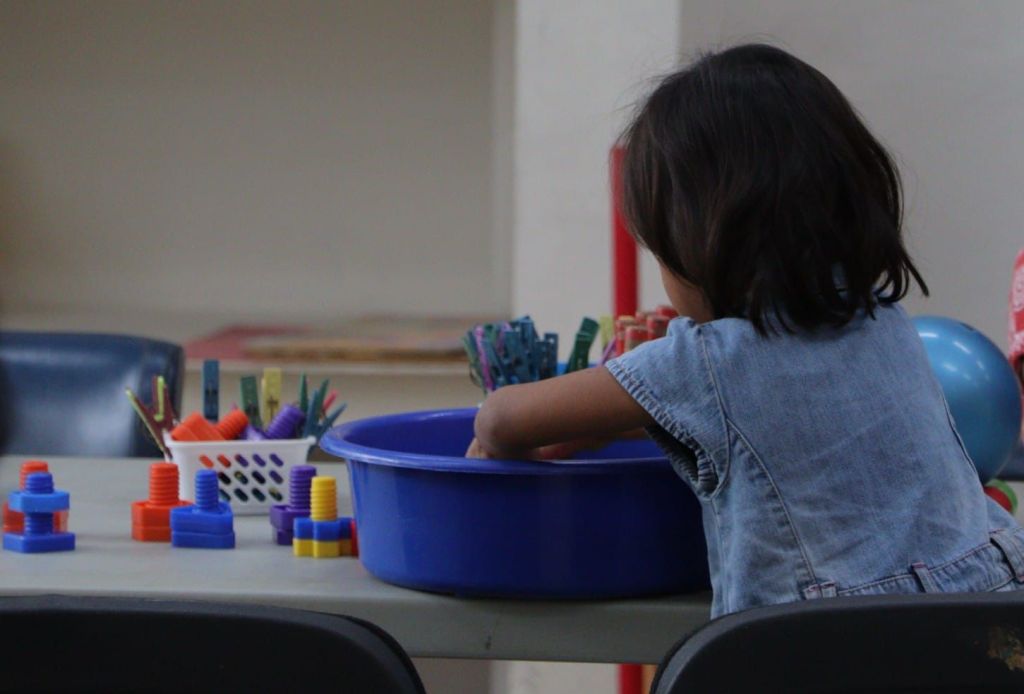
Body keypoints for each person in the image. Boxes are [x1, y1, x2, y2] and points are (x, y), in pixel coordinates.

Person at [467, 44, 1024, 617]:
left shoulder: (706, 361)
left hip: (834, 649)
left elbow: (502, 418)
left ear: (699, 241)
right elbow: (783, 419)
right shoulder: (883, 321)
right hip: (990, 618)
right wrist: (611, 424)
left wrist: (515, 442)